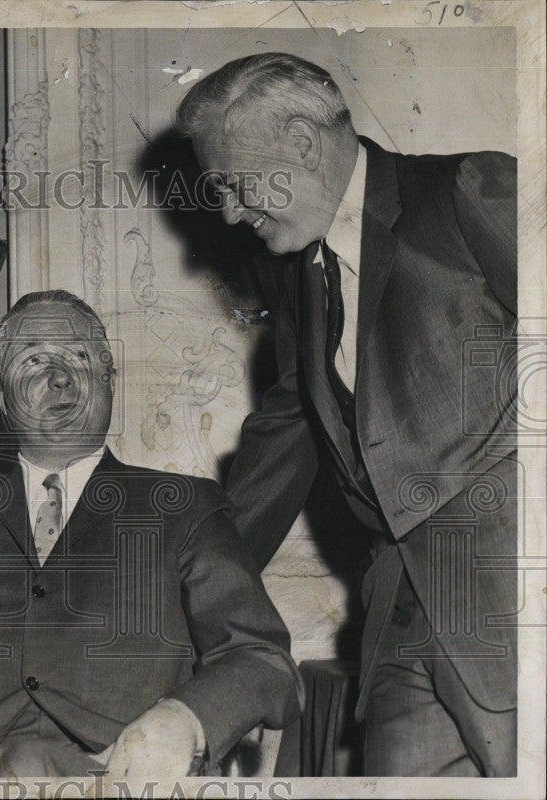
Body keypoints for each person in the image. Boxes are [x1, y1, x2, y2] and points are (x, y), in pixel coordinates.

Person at [176, 53, 518, 776]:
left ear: (302, 144)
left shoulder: (465, 191)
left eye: (235, 187)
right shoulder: (296, 274)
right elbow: (282, 444)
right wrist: (193, 583)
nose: (232, 214)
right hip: (394, 610)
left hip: (509, 594)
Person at [0, 290, 301, 779]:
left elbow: (259, 657)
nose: (60, 377)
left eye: (79, 357)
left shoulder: (184, 508)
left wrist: (183, 721)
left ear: (109, 379)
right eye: (36, 359)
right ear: (2, 396)